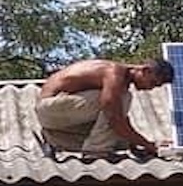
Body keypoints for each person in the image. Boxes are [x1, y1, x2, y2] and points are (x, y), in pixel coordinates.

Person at [35, 58, 174, 157]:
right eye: (152, 82)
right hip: (49, 107)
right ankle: (95, 152)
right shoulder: (115, 73)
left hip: (57, 119)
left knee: (120, 140)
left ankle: (53, 139)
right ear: (145, 70)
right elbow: (115, 119)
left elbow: (122, 123)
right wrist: (149, 145)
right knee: (120, 101)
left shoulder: (120, 81)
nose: (150, 88)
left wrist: (140, 144)